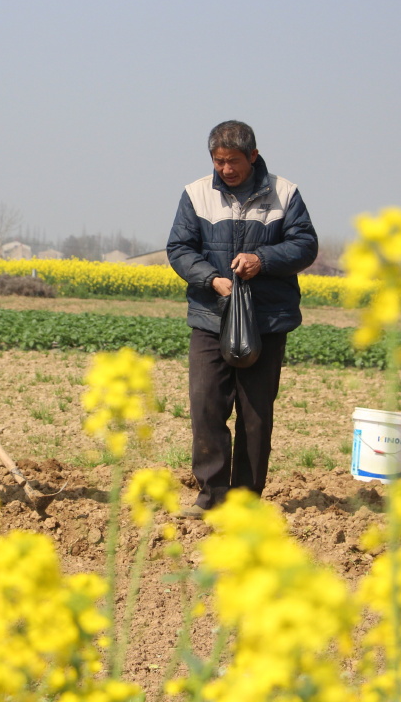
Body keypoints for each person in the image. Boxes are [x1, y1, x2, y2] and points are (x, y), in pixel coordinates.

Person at [166, 120, 318, 518]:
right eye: (218, 161)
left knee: (255, 415)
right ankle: (212, 498)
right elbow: (179, 248)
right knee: (206, 408)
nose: (226, 169)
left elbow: (305, 245)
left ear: (253, 155)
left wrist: (261, 260)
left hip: (266, 321)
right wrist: (211, 279)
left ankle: (246, 502)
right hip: (210, 317)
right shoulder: (196, 194)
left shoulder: (285, 193)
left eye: (233, 161)